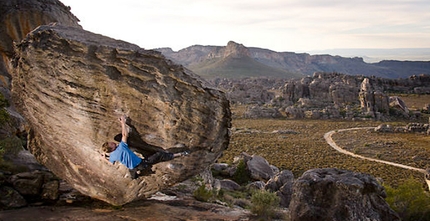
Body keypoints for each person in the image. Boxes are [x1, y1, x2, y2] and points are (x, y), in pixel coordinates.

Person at [101, 115, 188, 179]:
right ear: (112, 148)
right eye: (111, 144)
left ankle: (137, 174)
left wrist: (104, 158)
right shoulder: (121, 147)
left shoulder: (112, 156)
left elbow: (111, 163)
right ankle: (179, 154)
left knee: (133, 177)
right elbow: (124, 134)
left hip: (132, 168)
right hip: (142, 164)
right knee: (159, 155)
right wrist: (123, 122)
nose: (112, 142)